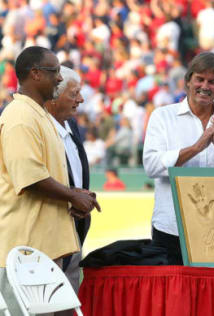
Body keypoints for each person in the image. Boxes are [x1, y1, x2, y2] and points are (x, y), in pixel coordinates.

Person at [0, 46, 100, 314]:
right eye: (54, 71)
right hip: (25, 251)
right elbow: (30, 178)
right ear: (35, 74)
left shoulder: (40, 114)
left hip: (44, 249)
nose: (59, 77)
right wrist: (71, 195)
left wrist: (76, 193)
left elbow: (49, 174)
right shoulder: (20, 117)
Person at [143, 52, 214, 265]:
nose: (205, 86)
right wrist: (196, 147)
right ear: (188, 81)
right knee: (171, 295)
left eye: (212, 81)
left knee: (211, 296)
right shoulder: (162, 116)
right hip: (171, 228)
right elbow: (151, 166)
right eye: (199, 79)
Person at [44, 66, 92, 301]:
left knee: (67, 302)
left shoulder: (70, 124)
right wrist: (71, 196)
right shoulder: (37, 127)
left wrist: (83, 196)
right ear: (54, 96)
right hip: (47, 236)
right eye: (74, 94)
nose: (80, 99)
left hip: (74, 232)